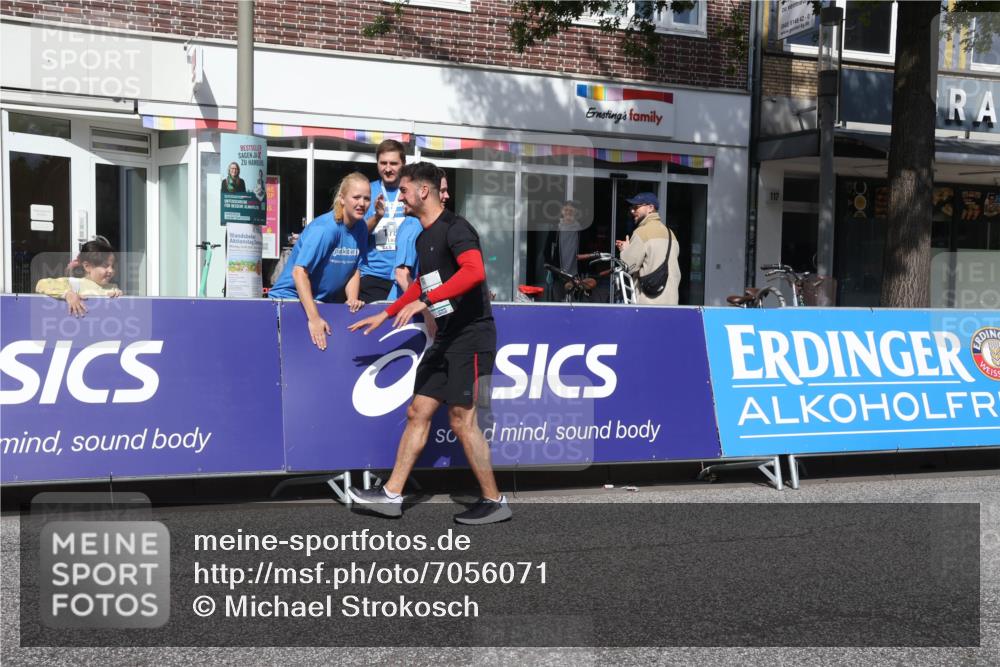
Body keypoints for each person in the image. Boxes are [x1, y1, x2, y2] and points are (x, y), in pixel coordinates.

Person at [348, 162, 510, 525]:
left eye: (403, 190)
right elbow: (423, 284)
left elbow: (474, 272)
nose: (399, 197)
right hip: (447, 336)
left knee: (461, 421)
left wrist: (429, 300)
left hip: (472, 335)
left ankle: (495, 501)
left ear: (424, 191)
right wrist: (387, 313)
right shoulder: (422, 236)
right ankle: (392, 495)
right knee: (417, 412)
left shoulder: (457, 228)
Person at [268, 172, 369, 350]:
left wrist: (352, 299)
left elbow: (354, 269)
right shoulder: (325, 229)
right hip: (289, 301)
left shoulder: (360, 227)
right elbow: (299, 273)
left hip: (320, 303)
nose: (362, 203)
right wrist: (313, 319)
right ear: (342, 198)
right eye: (356, 197)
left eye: (366, 198)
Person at [360, 139, 420, 302]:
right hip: (373, 275)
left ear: (404, 164)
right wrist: (377, 217)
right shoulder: (367, 191)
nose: (387, 169)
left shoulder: (411, 193)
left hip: (407, 275)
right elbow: (356, 234)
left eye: (393, 163)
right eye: (383, 163)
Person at [615, 192, 680, 305]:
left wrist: (625, 250)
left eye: (636, 207)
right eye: (632, 208)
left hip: (648, 303)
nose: (632, 211)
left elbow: (628, 266)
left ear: (650, 208)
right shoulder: (671, 234)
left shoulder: (642, 232)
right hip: (671, 301)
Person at [35, 236, 122, 317]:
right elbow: (41, 284)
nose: (111, 270)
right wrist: (67, 294)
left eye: (113, 266)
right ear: (87, 266)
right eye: (105, 266)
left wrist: (119, 298)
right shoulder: (74, 284)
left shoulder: (113, 288)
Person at [543, 200, 589, 301]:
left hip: (576, 276)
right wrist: (550, 266)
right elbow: (547, 250)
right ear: (562, 212)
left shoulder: (581, 232)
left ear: (576, 213)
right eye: (566, 210)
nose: (568, 212)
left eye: (571, 210)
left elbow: (586, 252)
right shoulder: (555, 230)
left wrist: (585, 272)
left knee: (575, 306)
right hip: (558, 275)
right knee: (557, 306)